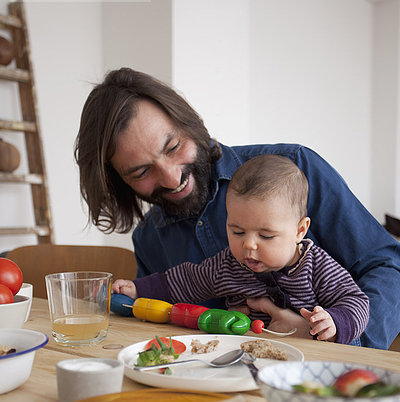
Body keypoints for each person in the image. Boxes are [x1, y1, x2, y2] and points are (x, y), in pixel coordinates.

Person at [74, 67, 400, 349]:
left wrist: (339, 340)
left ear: (190, 125)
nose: (172, 178)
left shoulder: (297, 169)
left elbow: (389, 267)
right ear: (121, 182)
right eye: (142, 172)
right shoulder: (149, 238)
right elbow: (163, 309)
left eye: (173, 147)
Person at [112, 155, 370, 344]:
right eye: (237, 232)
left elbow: (356, 302)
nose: (248, 245)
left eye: (266, 235)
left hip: (307, 361)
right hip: (244, 356)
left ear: (300, 231)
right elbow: (183, 281)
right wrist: (138, 289)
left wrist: (334, 322)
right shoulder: (227, 265)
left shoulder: (317, 266)